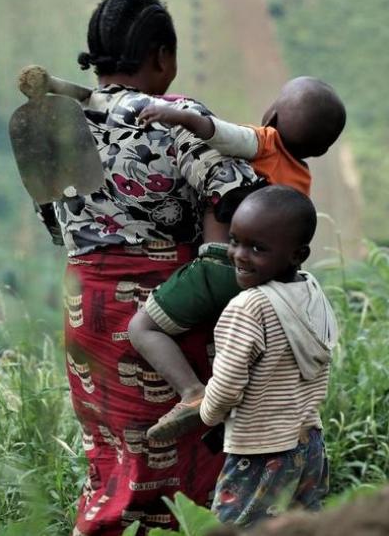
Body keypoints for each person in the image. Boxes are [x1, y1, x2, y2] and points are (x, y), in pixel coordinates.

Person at [35, 0, 259, 533]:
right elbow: (237, 196)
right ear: (162, 57)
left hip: (86, 306)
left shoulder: (56, 125)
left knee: (112, 446)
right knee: (199, 440)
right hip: (164, 307)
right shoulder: (174, 117)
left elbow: (51, 220)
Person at [126, 78, 346, 441]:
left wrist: (176, 114)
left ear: (272, 115)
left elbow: (217, 132)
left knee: (142, 328)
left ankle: (193, 393)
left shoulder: (265, 141)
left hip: (221, 267)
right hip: (265, 284)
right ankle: (226, 419)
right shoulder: (301, 182)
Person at [201, 185, 338, 527]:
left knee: (234, 530)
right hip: (309, 446)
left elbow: (228, 384)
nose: (239, 255)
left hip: (259, 452)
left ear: (297, 254)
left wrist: (207, 414)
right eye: (235, 240)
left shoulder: (249, 307)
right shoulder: (312, 292)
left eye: (257, 248)